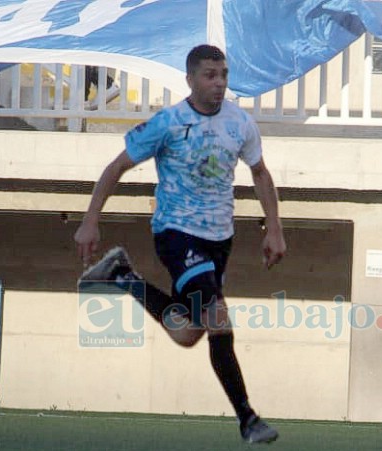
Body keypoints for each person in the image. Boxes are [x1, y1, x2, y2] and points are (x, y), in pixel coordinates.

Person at [74, 44, 286, 444]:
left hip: (219, 239)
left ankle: (122, 276)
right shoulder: (168, 123)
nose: (219, 82)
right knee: (219, 320)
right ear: (190, 79)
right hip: (176, 233)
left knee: (188, 334)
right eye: (210, 75)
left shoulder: (240, 123)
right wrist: (90, 221)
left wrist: (274, 228)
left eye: (223, 73)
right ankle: (248, 418)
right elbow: (116, 167)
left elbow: (259, 173)